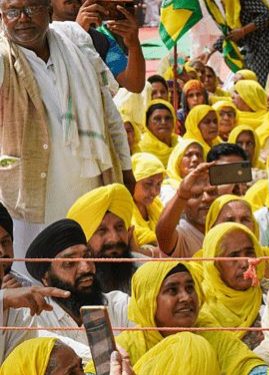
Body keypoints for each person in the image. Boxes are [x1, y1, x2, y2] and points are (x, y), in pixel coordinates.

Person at [0, 0, 133, 277]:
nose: (21, 19)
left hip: (89, 188)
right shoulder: (4, 56)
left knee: (87, 276)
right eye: (12, 12)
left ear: (49, 11)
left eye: (30, 9)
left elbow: (110, 114)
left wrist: (127, 170)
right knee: (35, 282)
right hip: (31, 200)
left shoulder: (74, 38)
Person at [115, 261, 268, 374]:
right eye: (172, 290)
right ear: (148, 302)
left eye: (190, 288)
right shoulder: (126, 345)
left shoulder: (212, 335)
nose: (186, 297)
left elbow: (250, 367)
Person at [25, 219, 132, 361]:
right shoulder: (36, 319)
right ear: (46, 278)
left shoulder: (120, 305)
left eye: (87, 256)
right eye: (70, 263)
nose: (86, 268)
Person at [50, 0, 145, 93]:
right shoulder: (40, 38)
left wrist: (134, 45)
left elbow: (134, 84)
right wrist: (77, 33)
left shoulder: (100, 40)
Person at [66, 184, 137, 293]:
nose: (114, 238)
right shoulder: (71, 278)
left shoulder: (147, 270)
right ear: (84, 239)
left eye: (119, 227)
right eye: (102, 230)